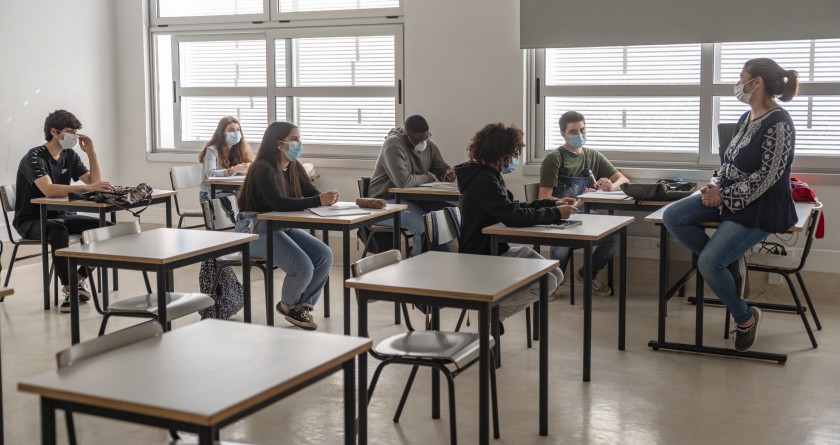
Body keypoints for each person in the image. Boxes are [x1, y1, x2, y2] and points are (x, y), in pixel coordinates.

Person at [663, 58, 799, 352]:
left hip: (763, 205)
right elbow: (728, 163)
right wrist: (714, 186)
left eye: (742, 77)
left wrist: (723, 196)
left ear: (757, 82)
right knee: (674, 215)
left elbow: (768, 177)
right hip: (729, 193)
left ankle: (746, 318)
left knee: (709, 262)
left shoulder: (780, 123)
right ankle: (730, 260)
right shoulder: (745, 118)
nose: (739, 83)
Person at [456, 123, 575, 322]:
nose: (515, 159)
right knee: (547, 282)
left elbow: (512, 206)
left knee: (554, 272)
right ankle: (490, 314)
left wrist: (553, 204)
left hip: (495, 250)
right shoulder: (483, 180)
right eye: (513, 154)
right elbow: (513, 216)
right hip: (480, 257)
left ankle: (494, 312)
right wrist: (555, 212)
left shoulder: (488, 175)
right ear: (500, 154)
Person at [234, 122, 338, 330]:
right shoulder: (262, 168)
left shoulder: (293, 166)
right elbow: (278, 203)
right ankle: (288, 305)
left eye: (298, 138)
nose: (298, 143)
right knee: (303, 266)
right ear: (278, 143)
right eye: (293, 139)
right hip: (254, 229)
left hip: (279, 225)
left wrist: (327, 198)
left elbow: (310, 193)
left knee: (324, 255)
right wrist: (319, 201)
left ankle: (301, 307)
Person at [13, 110, 114, 312]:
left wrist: (92, 153)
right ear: (54, 131)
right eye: (70, 131)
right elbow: (49, 190)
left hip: (63, 215)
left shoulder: (70, 155)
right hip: (31, 220)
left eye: (76, 132)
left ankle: (78, 278)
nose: (74, 136)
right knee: (59, 231)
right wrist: (86, 188)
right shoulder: (34, 157)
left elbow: (94, 182)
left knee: (107, 229)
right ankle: (70, 289)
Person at [538, 111, 629, 295]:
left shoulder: (593, 156)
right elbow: (543, 197)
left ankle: (588, 274)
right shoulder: (555, 158)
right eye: (573, 131)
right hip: (562, 214)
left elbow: (623, 180)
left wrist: (610, 187)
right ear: (563, 133)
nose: (579, 135)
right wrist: (567, 203)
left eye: (582, 129)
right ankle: (552, 282)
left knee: (615, 236)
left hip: (587, 214)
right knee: (564, 243)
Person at [368, 115, 456, 253]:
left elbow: (441, 168)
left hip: (412, 198)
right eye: (419, 140)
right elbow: (403, 182)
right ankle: (422, 267)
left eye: (426, 138)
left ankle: (427, 258)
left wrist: (447, 173)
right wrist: (427, 178)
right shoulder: (393, 145)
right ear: (407, 136)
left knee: (451, 217)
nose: (423, 142)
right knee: (427, 227)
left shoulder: (428, 145)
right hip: (385, 202)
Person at [198, 116, 253, 203]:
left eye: (238, 129)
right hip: (211, 194)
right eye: (231, 130)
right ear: (222, 132)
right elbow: (210, 174)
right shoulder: (212, 150)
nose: (235, 132)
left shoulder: (241, 150)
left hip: (232, 193)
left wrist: (248, 168)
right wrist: (232, 170)